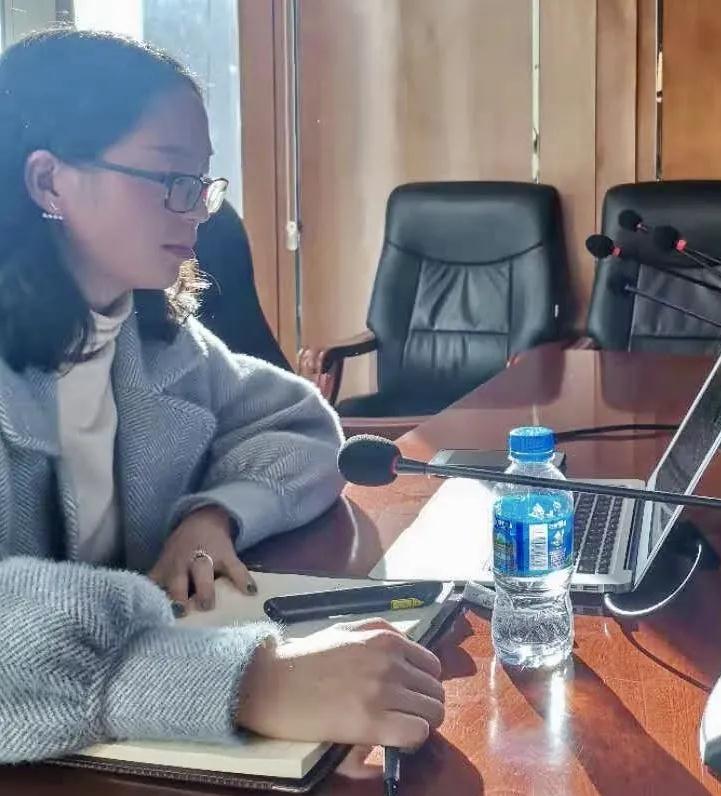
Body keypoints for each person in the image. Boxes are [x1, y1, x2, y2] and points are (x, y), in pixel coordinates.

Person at [0, 29, 444, 763]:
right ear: (49, 183)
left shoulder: (148, 339)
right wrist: (246, 682)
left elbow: (302, 425)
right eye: (171, 176)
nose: (200, 210)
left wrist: (214, 514)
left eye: (202, 181)